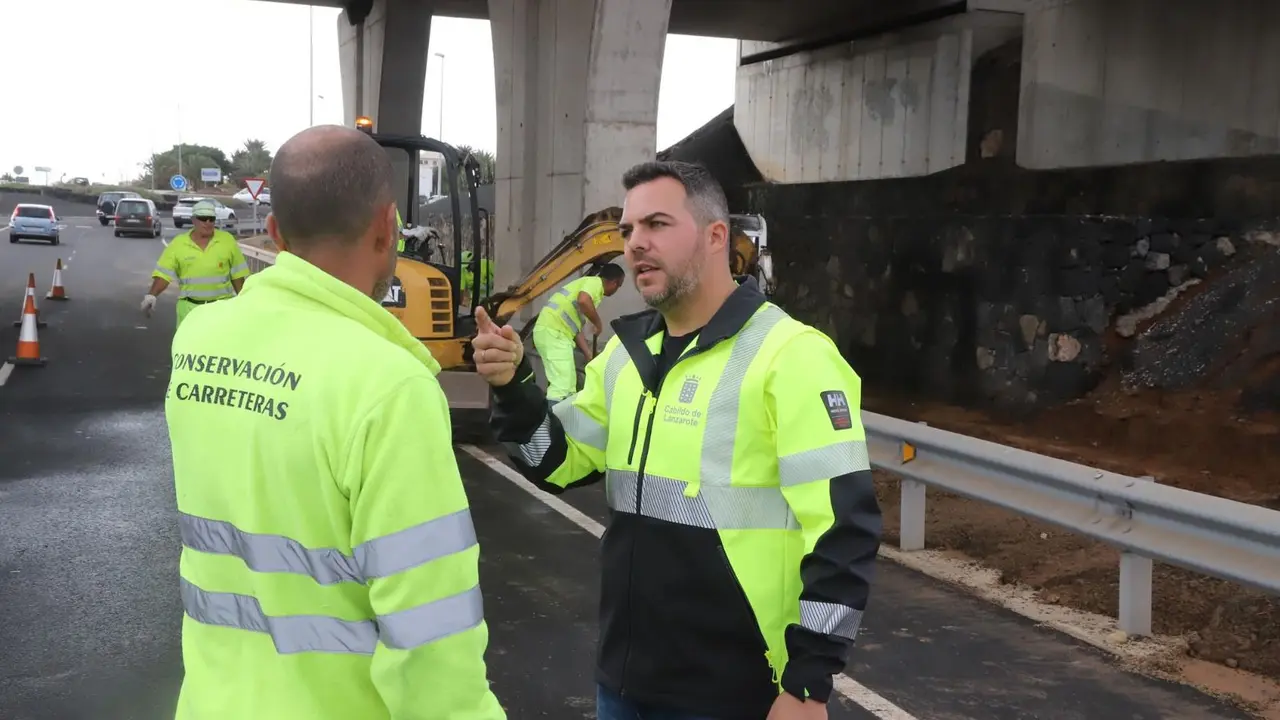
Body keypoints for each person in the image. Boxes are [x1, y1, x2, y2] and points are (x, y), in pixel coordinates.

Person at [471, 160, 881, 720]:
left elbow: (843, 532)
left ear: (716, 237)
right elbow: (555, 460)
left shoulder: (792, 356)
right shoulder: (626, 355)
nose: (636, 243)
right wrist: (513, 385)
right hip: (625, 684)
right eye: (629, 230)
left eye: (658, 225)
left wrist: (807, 684)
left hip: (740, 693)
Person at [165, 124, 505, 720]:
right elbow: (430, 632)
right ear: (387, 226)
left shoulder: (198, 339)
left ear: (272, 231)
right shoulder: (388, 385)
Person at [143, 199, 249, 327]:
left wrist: (245, 304)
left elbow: (237, 276)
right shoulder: (178, 244)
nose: (208, 223)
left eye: (211, 219)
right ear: (193, 220)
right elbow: (163, 275)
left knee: (219, 347)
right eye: (203, 218)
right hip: (189, 310)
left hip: (221, 310)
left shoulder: (227, 240)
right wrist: (151, 296)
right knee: (187, 347)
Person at [532, 264, 626, 401]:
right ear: (614, 282)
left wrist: (588, 354)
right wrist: (598, 323)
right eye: (619, 286)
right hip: (553, 331)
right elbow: (583, 300)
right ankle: (550, 421)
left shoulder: (589, 289)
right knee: (562, 387)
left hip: (557, 332)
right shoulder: (594, 283)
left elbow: (575, 328)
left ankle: (561, 419)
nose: (617, 290)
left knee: (569, 388)